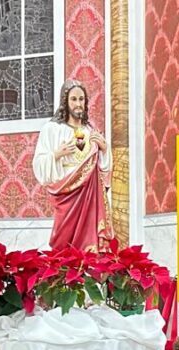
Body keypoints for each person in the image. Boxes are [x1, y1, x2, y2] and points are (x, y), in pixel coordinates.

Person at [31, 79, 113, 251]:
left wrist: (105, 150)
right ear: (65, 102)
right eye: (74, 99)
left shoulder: (90, 131)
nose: (78, 104)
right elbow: (39, 163)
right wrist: (57, 154)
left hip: (90, 198)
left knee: (89, 245)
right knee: (63, 241)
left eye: (81, 99)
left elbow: (102, 170)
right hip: (66, 195)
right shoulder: (52, 129)